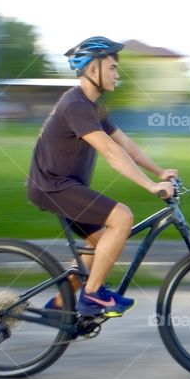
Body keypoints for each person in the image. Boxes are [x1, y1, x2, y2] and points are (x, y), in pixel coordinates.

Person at [26, 36, 177, 317]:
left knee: (97, 244)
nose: (117, 74)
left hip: (64, 186)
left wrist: (158, 171)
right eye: (112, 67)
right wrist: (149, 185)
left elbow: (124, 143)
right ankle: (91, 295)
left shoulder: (94, 107)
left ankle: (60, 308)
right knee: (122, 217)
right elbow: (109, 151)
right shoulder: (76, 105)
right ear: (93, 70)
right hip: (52, 186)